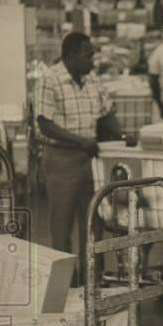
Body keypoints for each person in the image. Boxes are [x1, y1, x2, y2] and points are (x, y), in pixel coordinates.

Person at [35, 32, 131, 281]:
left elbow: (106, 113)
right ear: (71, 56)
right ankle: (61, 287)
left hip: (91, 160)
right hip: (61, 159)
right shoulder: (50, 79)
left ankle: (91, 283)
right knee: (61, 227)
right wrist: (80, 141)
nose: (93, 60)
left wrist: (123, 136)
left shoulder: (93, 80)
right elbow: (45, 124)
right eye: (88, 55)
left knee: (93, 224)